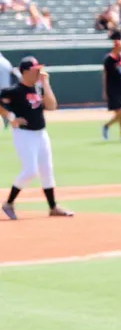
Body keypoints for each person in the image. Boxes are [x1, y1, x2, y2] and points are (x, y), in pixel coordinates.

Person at [1, 58, 73, 219]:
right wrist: (11, 117)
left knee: (47, 170)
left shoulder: (38, 89)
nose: (38, 73)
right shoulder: (14, 91)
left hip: (41, 133)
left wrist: (45, 83)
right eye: (35, 70)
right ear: (25, 72)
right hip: (24, 134)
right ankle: (8, 203)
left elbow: (52, 106)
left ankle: (53, 207)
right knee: (30, 170)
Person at [101, 30, 121, 142]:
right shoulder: (109, 59)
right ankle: (107, 126)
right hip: (112, 88)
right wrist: (104, 91)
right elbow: (105, 74)